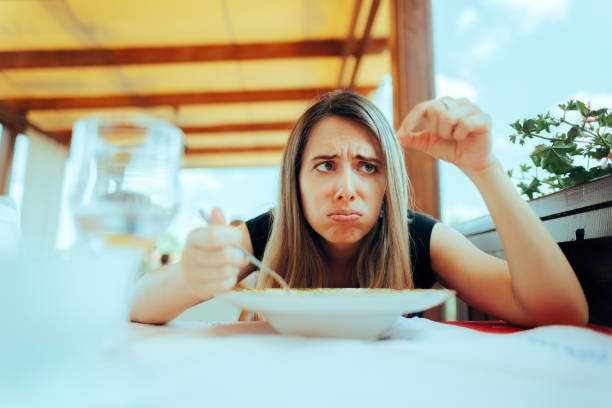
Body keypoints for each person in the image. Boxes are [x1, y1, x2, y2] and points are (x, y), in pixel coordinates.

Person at [130, 90, 588, 327]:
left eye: (368, 167)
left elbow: (561, 311)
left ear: (388, 183)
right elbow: (134, 307)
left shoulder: (420, 237)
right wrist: (191, 276)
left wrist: (484, 167)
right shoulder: (264, 234)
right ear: (296, 180)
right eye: (326, 165)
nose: (347, 189)